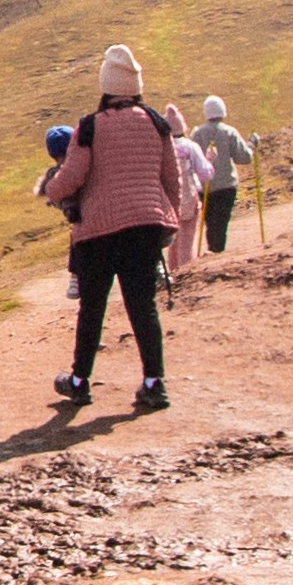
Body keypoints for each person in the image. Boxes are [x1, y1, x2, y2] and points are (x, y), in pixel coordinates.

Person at [35, 45, 197, 412]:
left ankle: (79, 382)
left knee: (92, 307)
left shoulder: (90, 126)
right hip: (145, 228)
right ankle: (154, 384)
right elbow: (171, 179)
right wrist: (166, 220)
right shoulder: (157, 123)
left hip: (99, 231)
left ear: (105, 87)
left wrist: (50, 189)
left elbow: (72, 176)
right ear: (136, 88)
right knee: (143, 307)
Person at [188, 95, 255, 257]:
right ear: (223, 111)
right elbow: (244, 157)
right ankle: (217, 252)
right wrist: (252, 145)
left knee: (210, 222)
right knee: (221, 222)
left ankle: (213, 250)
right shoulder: (229, 132)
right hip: (226, 186)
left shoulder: (197, 134)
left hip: (205, 187)